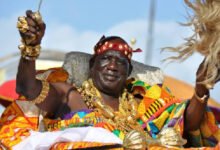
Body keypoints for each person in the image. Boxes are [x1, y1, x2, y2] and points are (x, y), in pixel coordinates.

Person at [0, 10, 219, 150]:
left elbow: (185, 123)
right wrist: (30, 49)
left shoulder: (143, 101)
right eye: (106, 59)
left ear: (128, 71)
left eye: (121, 62)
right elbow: (27, 88)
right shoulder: (69, 96)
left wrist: (202, 87)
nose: (113, 65)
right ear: (93, 64)